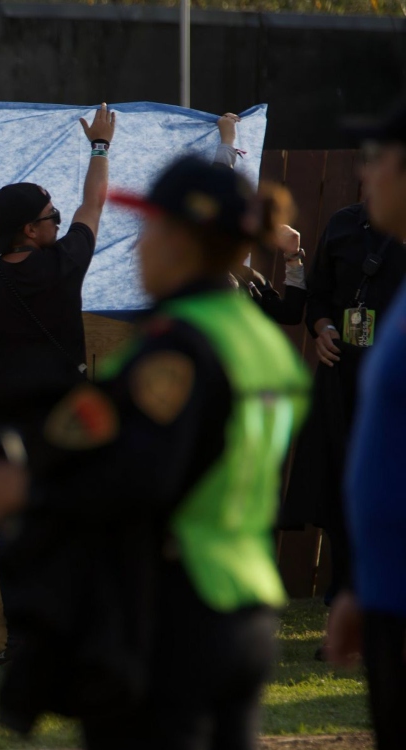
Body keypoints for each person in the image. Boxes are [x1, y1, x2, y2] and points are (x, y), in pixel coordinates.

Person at [0, 156, 309, 749]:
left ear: (182, 241)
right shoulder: (257, 336)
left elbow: (140, 478)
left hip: (174, 610)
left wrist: (27, 491)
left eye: (149, 231)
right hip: (247, 599)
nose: (139, 249)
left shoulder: (176, 346)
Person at [0, 103, 116, 664]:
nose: (59, 220)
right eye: (50, 215)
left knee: (14, 533)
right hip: (69, 415)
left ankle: (22, 641)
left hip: (5, 418)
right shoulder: (65, 263)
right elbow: (95, 203)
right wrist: (98, 146)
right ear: (29, 229)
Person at [282, 186, 406, 614]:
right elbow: (317, 295)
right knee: (338, 488)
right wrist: (322, 329)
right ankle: (343, 597)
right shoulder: (341, 225)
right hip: (341, 377)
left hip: (394, 384)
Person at [327, 99, 406, 750]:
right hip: (386, 595)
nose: (366, 173)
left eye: (377, 159)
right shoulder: (345, 234)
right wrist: (361, 588)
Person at [213, 113, 308, 325]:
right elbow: (215, 193)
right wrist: (227, 142)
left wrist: (293, 258)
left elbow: (290, 314)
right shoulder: (198, 278)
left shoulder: (249, 279)